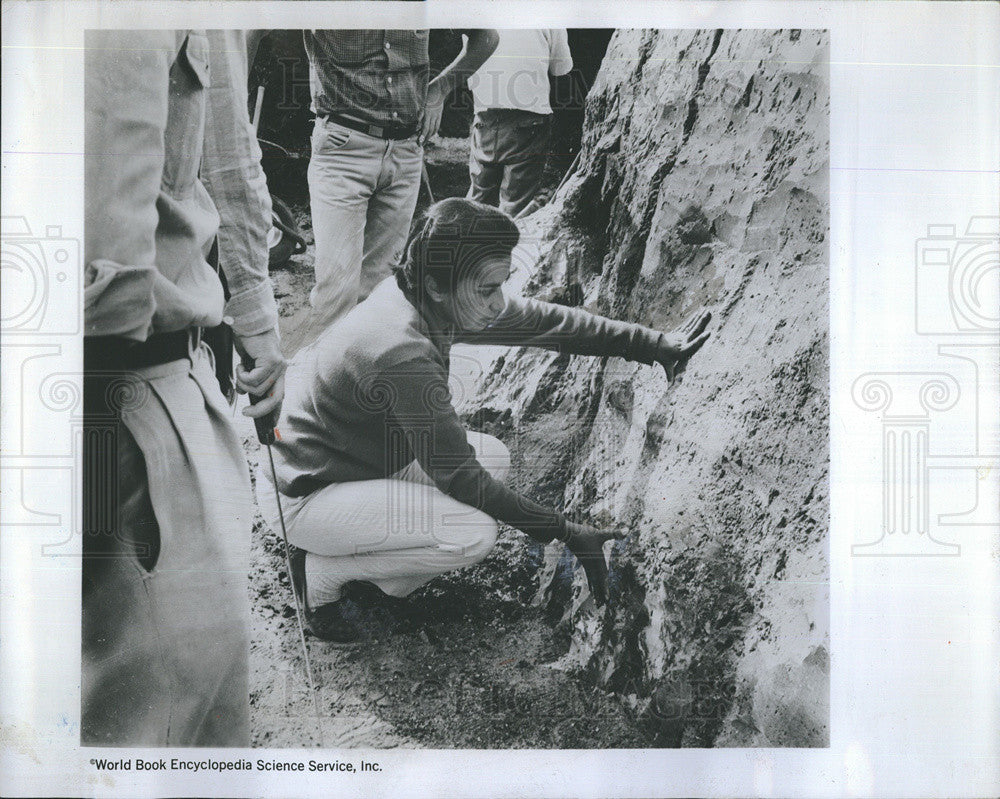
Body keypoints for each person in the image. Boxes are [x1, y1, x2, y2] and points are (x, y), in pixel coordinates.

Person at [259, 198, 710, 643]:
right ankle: (319, 573)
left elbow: (543, 323)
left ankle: (376, 570)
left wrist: (650, 345)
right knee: (472, 534)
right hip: (305, 494)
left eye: (501, 284)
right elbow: (461, 480)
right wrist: (567, 531)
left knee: (491, 458)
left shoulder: (425, 295)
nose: (499, 303)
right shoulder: (400, 349)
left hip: (355, 462)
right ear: (439, 286)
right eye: (487, 289)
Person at [82, 29, 286, 746]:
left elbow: (227, 151)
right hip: (95, 392)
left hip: (148, 382)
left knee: (179, 706)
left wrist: (257, 323)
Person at [302, 29, 499, 333]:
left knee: (380, 289)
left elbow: (486, 36)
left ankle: (364, 376)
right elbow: (254, 25)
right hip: (343, 149)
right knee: (336, 292)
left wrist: (439, 90)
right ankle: (321, 378)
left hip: (406, 152)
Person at [466, 29, 573, 217]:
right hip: (528, 119)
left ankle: (469, 241)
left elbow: (469, 62)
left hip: (485, 113)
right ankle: (506, 241)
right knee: (516, 204)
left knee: (479, 197)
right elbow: (561, 69)